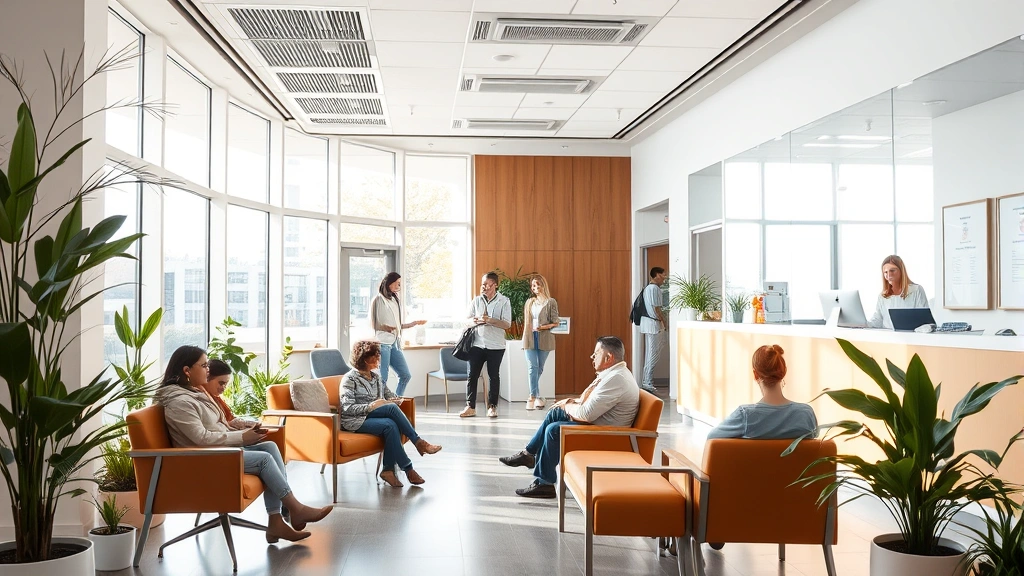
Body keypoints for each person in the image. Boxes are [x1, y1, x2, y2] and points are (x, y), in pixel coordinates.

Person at [155, 345, 332, 543]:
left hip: (216, 451)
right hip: (201, 460)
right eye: (204, 365)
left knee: (270, 447)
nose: (208, 369)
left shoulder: (194, 393)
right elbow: (200, 438)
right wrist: (241, 438)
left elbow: (218, 425)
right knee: (264, 460)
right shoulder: (180, 401)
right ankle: (295, 509)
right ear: (187, 371)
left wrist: (243, 430)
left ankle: (276, 521)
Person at [499, 336, 640, 498]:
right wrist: (569, 403)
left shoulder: (616, 379)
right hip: (600, 423)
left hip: (607, 434)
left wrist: (567, 405)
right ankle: (529, 456)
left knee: (554, 429)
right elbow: (590, 404)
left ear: (608, 357)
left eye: (596, 354)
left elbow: (586, 414)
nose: (591, 357)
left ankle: (543, 481)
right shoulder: (614, 373)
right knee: (555, 412)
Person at [339, 340, 442, 488]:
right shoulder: (349, 379)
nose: (378, 358)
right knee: (391, 411)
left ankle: (388, 470)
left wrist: (396, 400)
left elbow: (389, 395)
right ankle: (415, 452)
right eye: (375, 356)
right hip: (355, 421)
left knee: (390, 425)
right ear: (364, 359)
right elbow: (347, 407)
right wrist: (371, 406)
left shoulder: (376, 378)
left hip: (374, 416)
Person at [707, 344, 817, 440]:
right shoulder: (806, 414)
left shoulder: (745, 415)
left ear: (755, 374)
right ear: (784, 371)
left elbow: (712, 438)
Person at [461, 272, 512, 419]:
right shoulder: (476, 300)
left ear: (495, 285)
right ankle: (470, 407)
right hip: (477, 344)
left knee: (493, 376)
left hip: (496, 345)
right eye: (483, 284)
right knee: (472, 375)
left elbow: (507, 324)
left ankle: (492, 406)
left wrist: (490, 320)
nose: (484, 287)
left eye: (488, 284)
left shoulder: (504, 301)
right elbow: (466, 320)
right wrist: (475, 320)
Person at [370, 272, 426, 396]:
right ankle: (382, 406)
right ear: (389, 283)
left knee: (405, 375)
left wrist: (412, 324)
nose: (399, 286)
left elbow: (397, 325)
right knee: (382, 379)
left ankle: (395, 403)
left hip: (395, 343)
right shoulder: (378, 299)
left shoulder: (394, 300)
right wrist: (386, 328)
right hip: (383, 344)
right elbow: (374, 324)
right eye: (397, 283)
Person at [522, 274, 559, 411]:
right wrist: (524, 340)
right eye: (533, 285)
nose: (536, 287)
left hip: (545, 338)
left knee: (540, 368)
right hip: (530, 338)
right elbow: (526, 323)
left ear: (543, 285)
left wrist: (542, 327)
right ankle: (532, 397)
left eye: (538, 284)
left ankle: (538, 397)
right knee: (532, 367)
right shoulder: (529, 302)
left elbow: (556, 322)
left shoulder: (551, 302)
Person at [867, 255, 930, 330]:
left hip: (911, 337)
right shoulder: (883, 296)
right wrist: (862, 324)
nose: (889, 275)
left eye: (892, 270)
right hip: (888, 337)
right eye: (885, 272)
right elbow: (878, 320)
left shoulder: (916, 290)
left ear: (901, 270)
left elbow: (924, 321)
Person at [199, 359, 257, 430]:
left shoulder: (215, 398)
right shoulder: (199, 398)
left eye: (226, 384)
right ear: (207, 378)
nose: (223, 388)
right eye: (221, 383)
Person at [640, 267, 668, 393]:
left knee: (650, 353)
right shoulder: (654, 289)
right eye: (663, 276)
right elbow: (657, 309)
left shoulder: (647, 289)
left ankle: (647, 381)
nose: (665, 278)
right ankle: (647, 382)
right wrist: (664, 322)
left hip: (648, 324)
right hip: (654, 325)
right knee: (653, 354)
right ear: (656, 275)